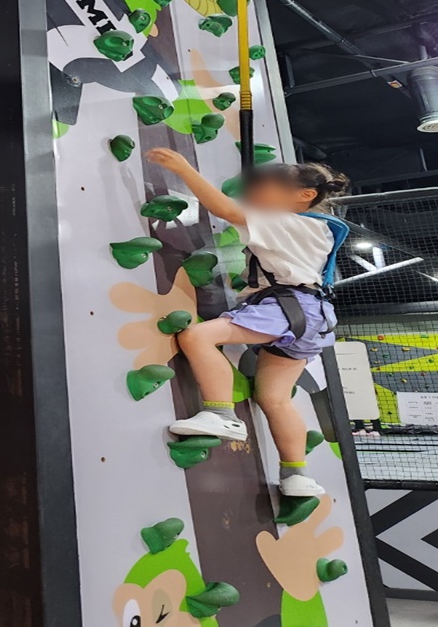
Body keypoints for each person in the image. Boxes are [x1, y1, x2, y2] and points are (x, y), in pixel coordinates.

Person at [146, 151, 349, 498]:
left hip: (288, 307)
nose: (254, 194)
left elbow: (226, 210)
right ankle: (296, 474)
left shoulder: (287, 223)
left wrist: (183, 169)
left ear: (304, 195)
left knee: (198, 337)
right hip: (311, 315)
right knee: (275, 398)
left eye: (265, 189)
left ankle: (221, 414)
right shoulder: (312, 230)